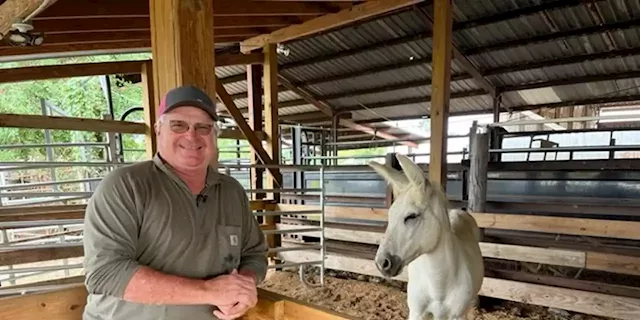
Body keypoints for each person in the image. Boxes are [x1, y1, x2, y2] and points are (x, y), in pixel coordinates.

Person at [82, 85, 268, 320]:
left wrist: (245, 284)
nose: (192, 136)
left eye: (203, 127)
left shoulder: (231, 192)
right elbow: (105, 272)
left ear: (214, 136)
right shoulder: (126, 185)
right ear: (159, 130)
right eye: (179, 125)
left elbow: (254, 253)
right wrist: (209, 291)